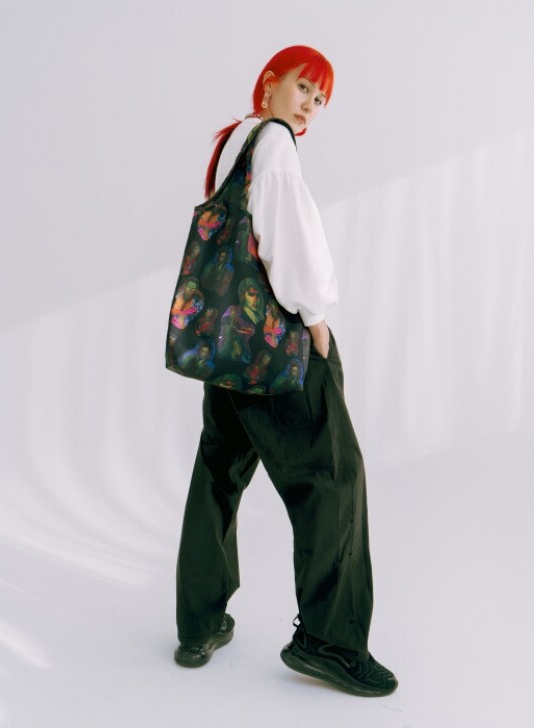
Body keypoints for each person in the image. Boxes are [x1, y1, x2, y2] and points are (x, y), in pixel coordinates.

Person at [173, 45, 398, 697]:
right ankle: (329, 642)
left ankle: (199, 623)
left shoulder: (233, 142)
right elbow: (287, 242)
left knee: (219, 472)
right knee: (333, 477)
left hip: (226, 343)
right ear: (270, 83)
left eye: (320, 99)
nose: (310, 106)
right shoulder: (272, 142)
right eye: (304, 88)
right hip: (277, 344)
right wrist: (316, 319)